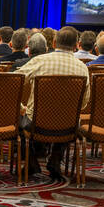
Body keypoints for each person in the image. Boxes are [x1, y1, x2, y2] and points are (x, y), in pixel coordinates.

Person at [18, 26, 89, 180]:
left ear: (54, 43)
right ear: (76, 45)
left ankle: (31, 160)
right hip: (68, 126)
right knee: (69, 118)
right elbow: (83, 104)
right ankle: (55, 159)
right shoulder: (83, 69)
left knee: (16, 119)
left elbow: (13, 82)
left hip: (35, 123)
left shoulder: (39, 61)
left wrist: (22, 107)